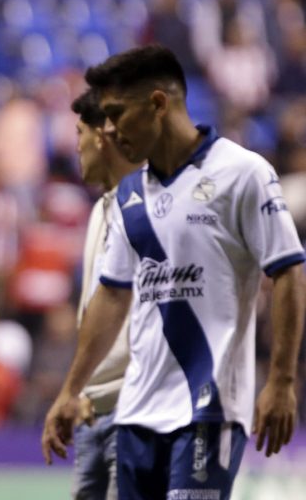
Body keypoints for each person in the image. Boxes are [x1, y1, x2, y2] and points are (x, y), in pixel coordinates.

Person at [42, 45, 306, 500]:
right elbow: (111, 296)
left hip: (210, 409)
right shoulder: (128, 196)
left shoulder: (242, 173)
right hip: (136, 413)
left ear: (158, 105)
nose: (108, 129)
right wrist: (71, 389)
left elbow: (287, 271)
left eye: (116, 113)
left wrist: (282, 380)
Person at [67, 88, 142, 500]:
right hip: (91, 412)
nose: (74, 145)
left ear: (101, 136)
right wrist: (75, 391)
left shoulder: (152, 206)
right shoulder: (99, 210)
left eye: (79, 132)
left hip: (134, 410)